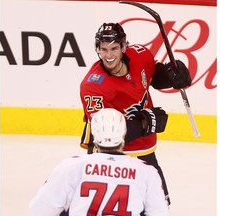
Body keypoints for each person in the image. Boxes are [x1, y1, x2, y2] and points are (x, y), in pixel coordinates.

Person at [80, 22, 192, 206]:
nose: (109, 56)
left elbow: (151, 75)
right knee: (110, 207)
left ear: (124, 47)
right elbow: (104, 135)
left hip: (143, 148)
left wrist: (170, 76)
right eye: (104, 49)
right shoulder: (93, 85)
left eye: (114, 48)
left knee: (158, 205)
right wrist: (145, 123)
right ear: (97, 49)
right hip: (109, 158)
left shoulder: (140, 54)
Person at [29, 108, 170, 216]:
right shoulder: (147, 172)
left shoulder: (71, 167)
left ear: (94, 135)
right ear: (124, 134)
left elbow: (39, 210)